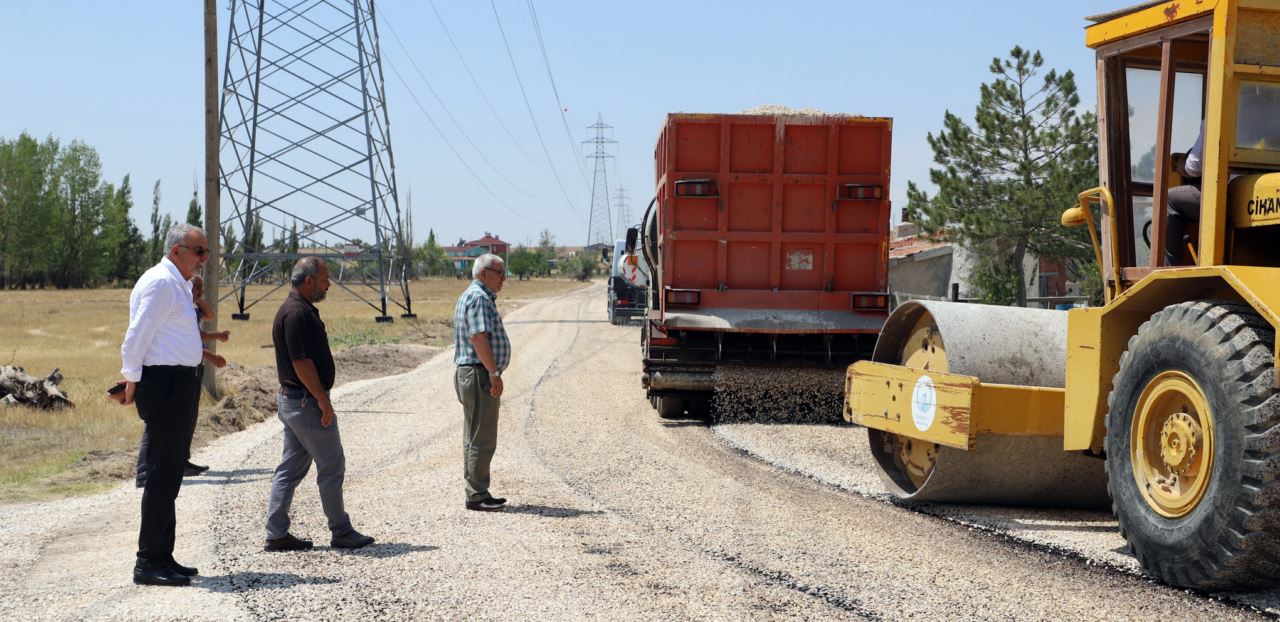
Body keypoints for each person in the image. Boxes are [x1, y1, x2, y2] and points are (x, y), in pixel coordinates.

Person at [264, 257, 375, 552]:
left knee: (290, 468)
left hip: (293, 402)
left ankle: (276, 533)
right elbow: (301, 363)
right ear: (309, 280)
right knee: (332, 465)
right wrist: (323, 400)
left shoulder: (294, 309)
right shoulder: (297, 313)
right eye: (325, 279)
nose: (329, 285)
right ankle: (341, 531)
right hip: (305, 402)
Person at [119, 223, 208, 587]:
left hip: (180, 382)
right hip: (165, 383)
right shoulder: (160, 282)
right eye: (199, 251)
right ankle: (148, 562)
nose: (205, 259)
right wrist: (130, 379)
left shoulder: (178, 283)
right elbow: (136, 337)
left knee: (171, 474)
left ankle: (163, 555)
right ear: (176, 251)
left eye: (206, 252)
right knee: (159, 476)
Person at [133, 275, 229, 488]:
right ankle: (144, 473)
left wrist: (197, 298)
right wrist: (211, 354)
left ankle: (180, 462)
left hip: (190, 371)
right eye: (195, 286)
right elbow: (187, 340)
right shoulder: (176, 306)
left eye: (202, 286)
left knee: (185, 422)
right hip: (169, 373)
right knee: (157, 425)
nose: (199, 290)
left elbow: (207, 319)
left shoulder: (190, 307)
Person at [453, 253, 511, 512]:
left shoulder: (475, 295)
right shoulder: (478, 297)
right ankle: (476, 494)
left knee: (473, 433)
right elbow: (478, 337)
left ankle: (477, 490)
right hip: (478, 373)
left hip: (472, 372)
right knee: (482, 435)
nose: (503, 278)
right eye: (500, 272)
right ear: (484, 273)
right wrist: (493, 372)